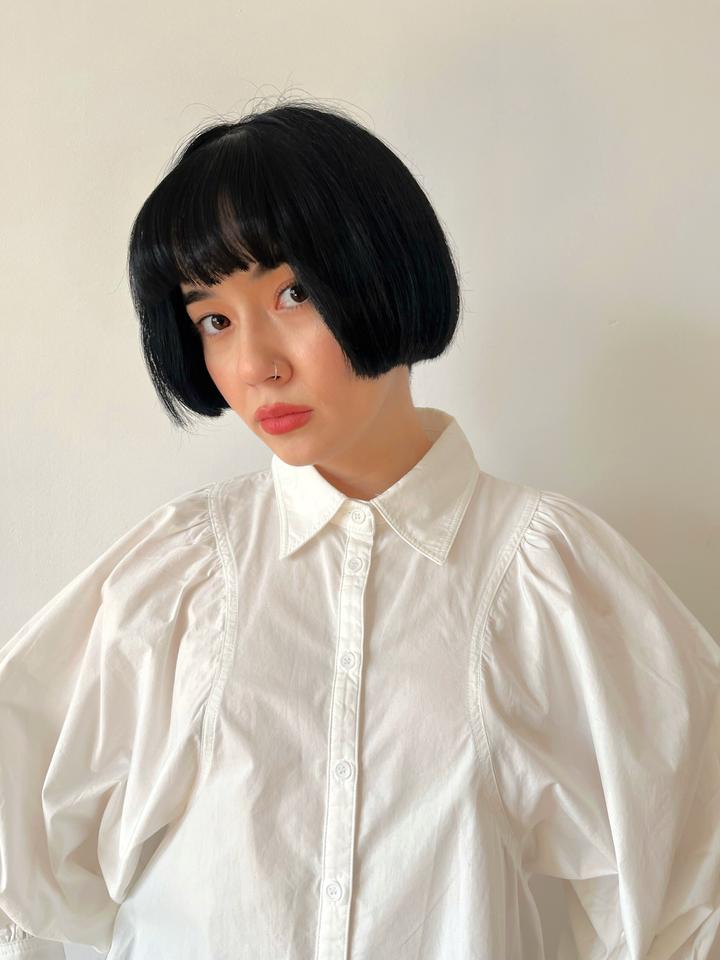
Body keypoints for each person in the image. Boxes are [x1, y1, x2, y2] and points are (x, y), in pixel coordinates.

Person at [1, 99, 718, 960]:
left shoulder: (547, 580)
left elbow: (682, 896)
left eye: (293, 294)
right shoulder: (177, 580)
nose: (254, 364)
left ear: (385, 271)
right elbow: (24, 862)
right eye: (213, 320)